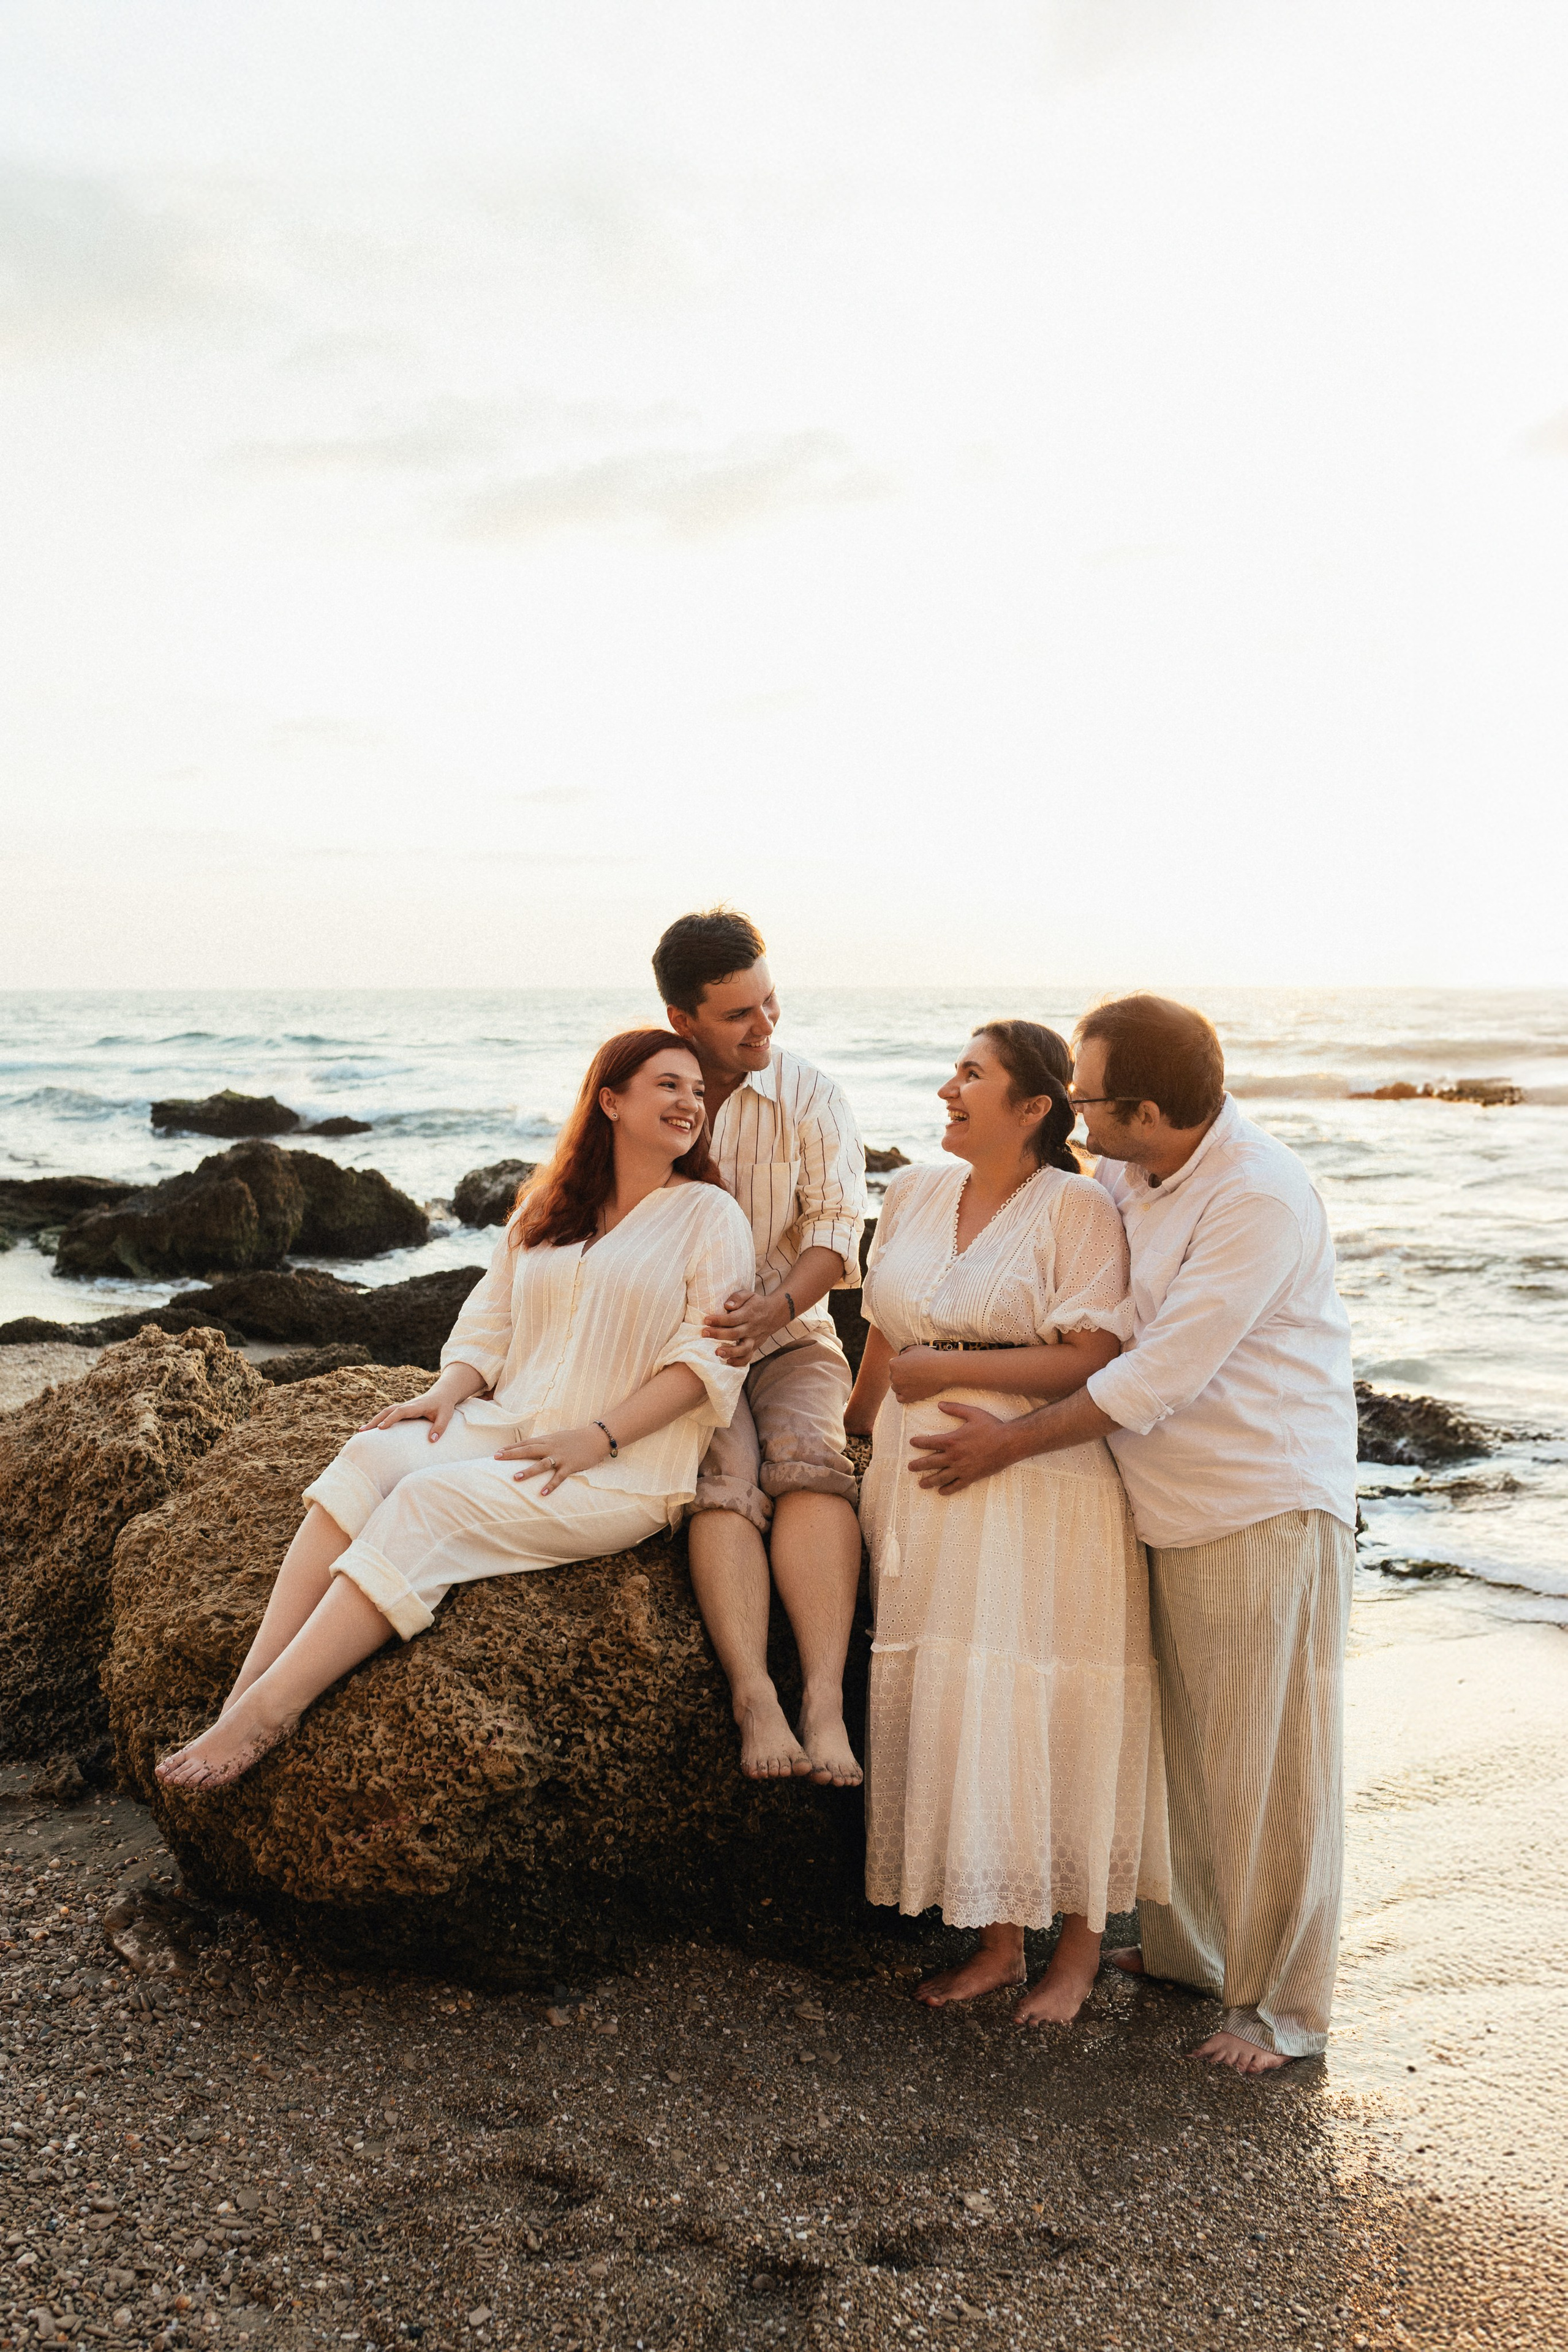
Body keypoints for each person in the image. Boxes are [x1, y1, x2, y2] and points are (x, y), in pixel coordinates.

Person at [908, 995, 1357, 2073]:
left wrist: (1006, 1447)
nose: (1076, 1110)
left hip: (1261, 1502)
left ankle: (1284, 2011)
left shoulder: (1258, 1199)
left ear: (1147, 1110)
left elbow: (1158, 1372)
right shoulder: (1132, 1170)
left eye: (1092, 1096)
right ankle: (1191, 1952)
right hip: (1160, 1504)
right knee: (1187, 1756)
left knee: (1273, 1769)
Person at [156, 1030, 756, 1791]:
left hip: (622, 1468)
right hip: (510, 1423)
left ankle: (271, 1712)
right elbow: (489, 1324)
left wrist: (599, 1437)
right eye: (669, 1085)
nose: (690, 1103)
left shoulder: (709, 1217)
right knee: (371, 1454)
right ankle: (245, 1688)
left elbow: (708, 1358)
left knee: (426, 1500)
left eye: (698, 1091)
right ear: (611, 1099)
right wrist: (444, 1393)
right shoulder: (550, 1205)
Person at [844, 1022, 1169, 2024]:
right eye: (952, 1071)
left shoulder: (1075, 1207)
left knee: (1051, 1703)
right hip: (924, 1495)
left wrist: (953, 1372)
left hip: (1040, 1494)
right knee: (967, 1702)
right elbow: (884, 1330)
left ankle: (1074, 1955)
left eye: (972, 1075)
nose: (949, 1088)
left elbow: (1088, 1355)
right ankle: (996, 1944)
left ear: (1033, 1107)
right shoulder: (910, 1191)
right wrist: (852, 1435)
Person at [655, 908, 867, 1789]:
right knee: (723, 1478)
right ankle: (755, 1696)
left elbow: (835, 1227)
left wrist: (776, 1303)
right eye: (740, 1013)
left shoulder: (810, 1093)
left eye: (770, 1002)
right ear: (684, 1021)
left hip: (792, 1332)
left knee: (812, 1459)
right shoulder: (649, 1086)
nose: (765, 1025)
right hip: (678, 1345)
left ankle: (822, 1701)